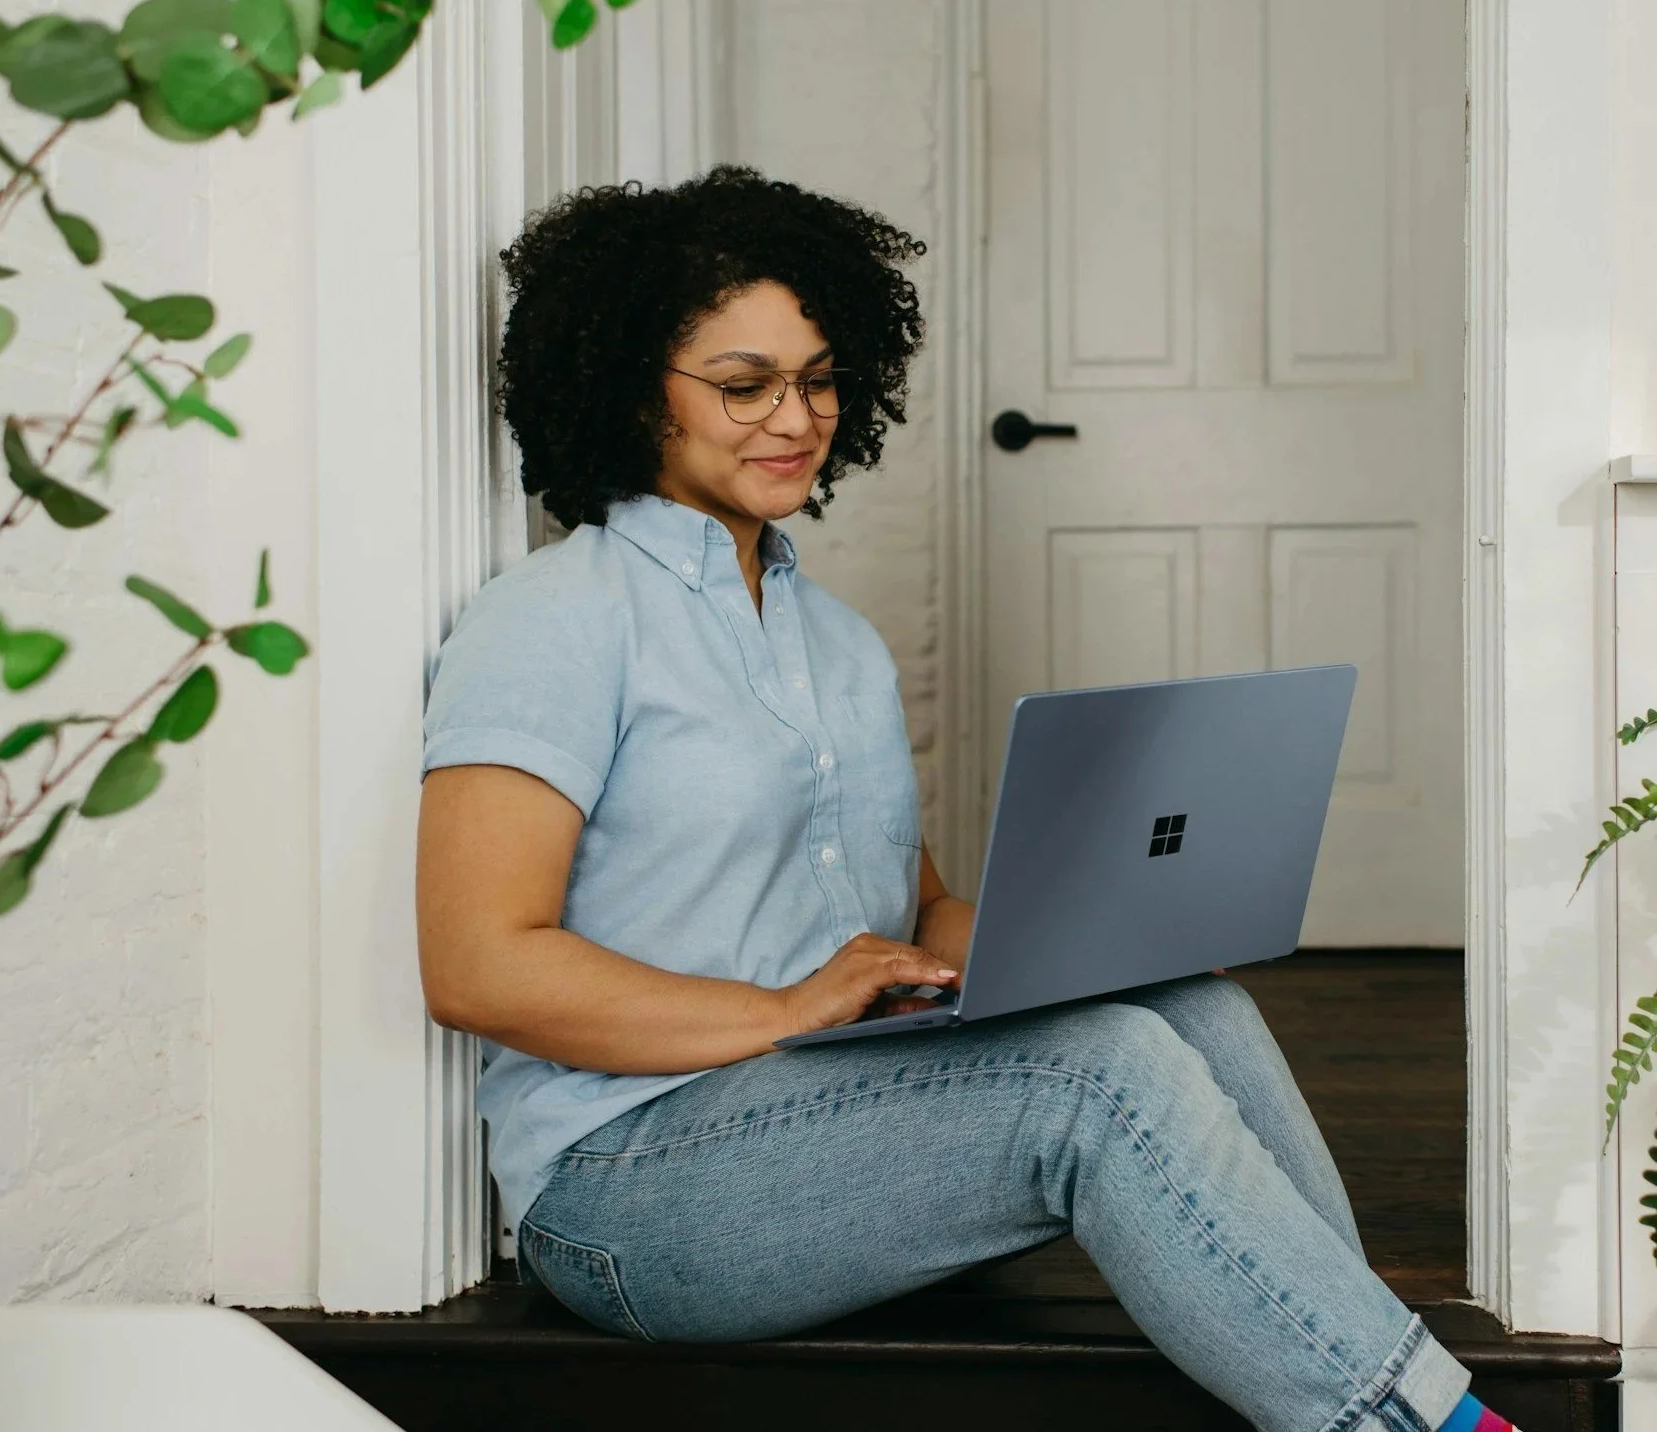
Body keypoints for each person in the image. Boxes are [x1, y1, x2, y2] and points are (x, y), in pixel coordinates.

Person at [414, 167, 1517, 1432]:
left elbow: (913, 907)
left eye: (820, 378)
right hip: (629, 1183)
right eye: (744, 384)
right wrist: (778, 1009)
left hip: (829, 1100)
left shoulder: (835, 641)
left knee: (1182, 1007)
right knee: (1097, 1076)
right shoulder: (553, 621)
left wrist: (1092, 943)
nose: (795, 417)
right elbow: (478, 964)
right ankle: (1420, 1420)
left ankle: (1347, 1351)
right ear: (627, 389)